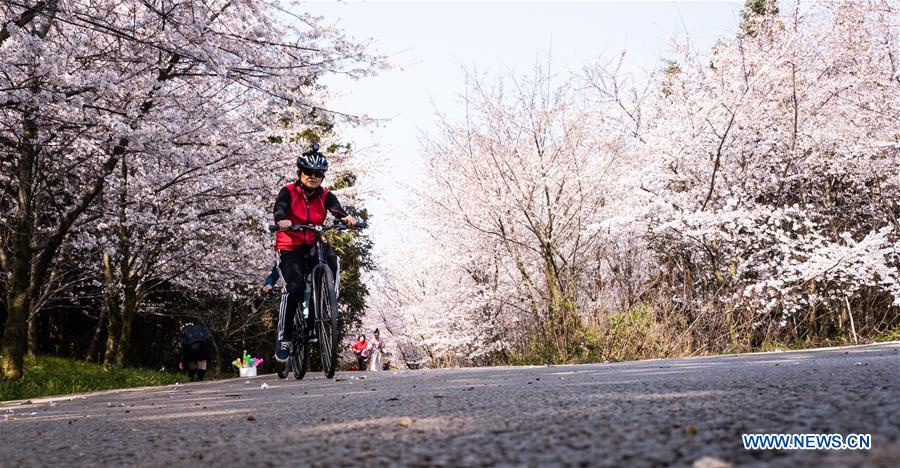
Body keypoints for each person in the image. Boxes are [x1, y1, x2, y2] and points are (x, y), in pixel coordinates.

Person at [272, 143, 356, 363]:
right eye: (308, 172)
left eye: (318, 174)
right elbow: (280, 208)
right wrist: (281, 220)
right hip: (289, 246)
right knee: (295, 287)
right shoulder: (288, 191)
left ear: (322, 177)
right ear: (299, 173)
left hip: (313, 242)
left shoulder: (325, 195)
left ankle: (329, 300)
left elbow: (336, 209)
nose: (312, 177)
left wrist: (345, 217)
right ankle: (285, 338)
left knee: (332, 259)